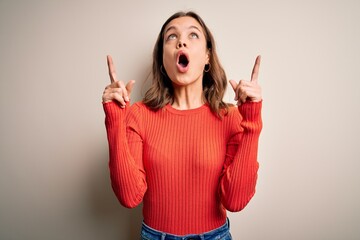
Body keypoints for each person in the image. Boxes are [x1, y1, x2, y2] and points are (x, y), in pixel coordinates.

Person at [102, 11, 262, 240]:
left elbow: (235, 201)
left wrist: (252, 120)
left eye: (193, 35)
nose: (181, 41)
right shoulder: (139, 115)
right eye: (171, 37)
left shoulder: (231, 117)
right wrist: (115, 120)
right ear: (162, 59)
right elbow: (129, 197)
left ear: (207, 56)